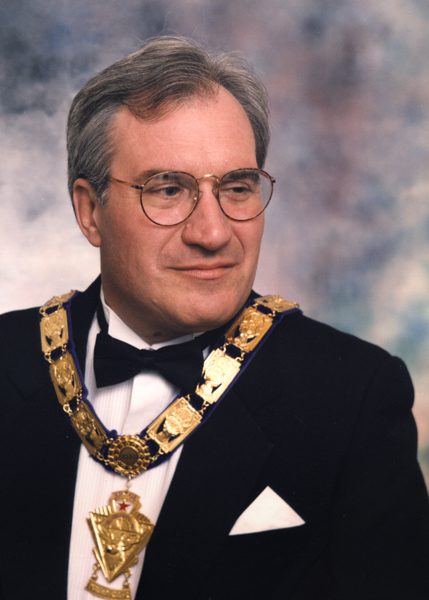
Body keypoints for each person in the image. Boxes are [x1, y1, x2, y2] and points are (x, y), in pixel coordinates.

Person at [0, 35, 428, 600]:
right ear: (90, 212)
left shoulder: (354, 396)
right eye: (168, 189)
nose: (213, 232)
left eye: (237, 187)